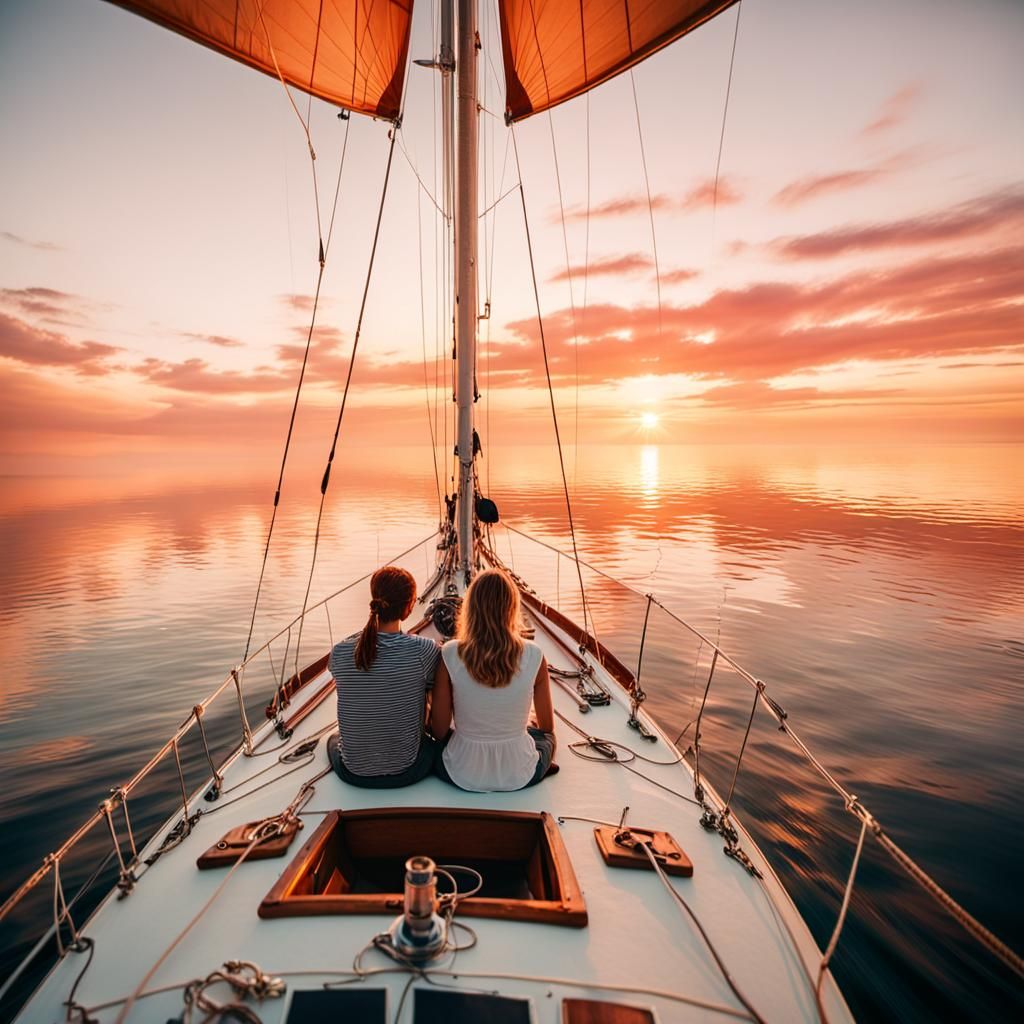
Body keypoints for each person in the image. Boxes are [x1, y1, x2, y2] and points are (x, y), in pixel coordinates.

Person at [431, 568, 557, 792]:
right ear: (511, 608)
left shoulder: (449, 654)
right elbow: (547, 727)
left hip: (461, 772)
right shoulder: (534, 655)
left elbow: (439, 731)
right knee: (545, 739)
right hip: (520, 773)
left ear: (470, 608)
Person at [326, 566, 439, 788]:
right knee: (436, 744)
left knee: (332, 739)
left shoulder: (339, 652)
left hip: (353, 773)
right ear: (409, 607)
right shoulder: (424, 650)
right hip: (408, 771)